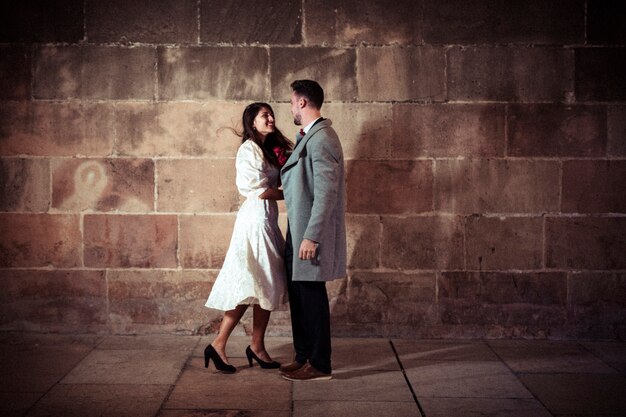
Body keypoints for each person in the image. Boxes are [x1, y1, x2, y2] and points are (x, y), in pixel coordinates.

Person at [204, 102, 292, 374]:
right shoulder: (248, 150)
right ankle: (218, 343)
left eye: (271, 113)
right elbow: (262, 191)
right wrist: (294, 192)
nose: (271, 117)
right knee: (250, 283)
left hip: (267, 220)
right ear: (251, 123)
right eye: (264, 115)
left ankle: (257, 346)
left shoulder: (267, 149)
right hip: (254, 221)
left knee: (264, 284)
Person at [279, 80, 347, 381]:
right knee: (299, 294)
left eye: (292, 102)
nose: (291, 108)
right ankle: (303, 355)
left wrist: (311, 235)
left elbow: (327, 193)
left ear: (303, 103)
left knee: (311, 294)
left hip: (309, 232)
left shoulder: (322, 138)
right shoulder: (309, 137)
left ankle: (320, 364)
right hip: (298, 228)